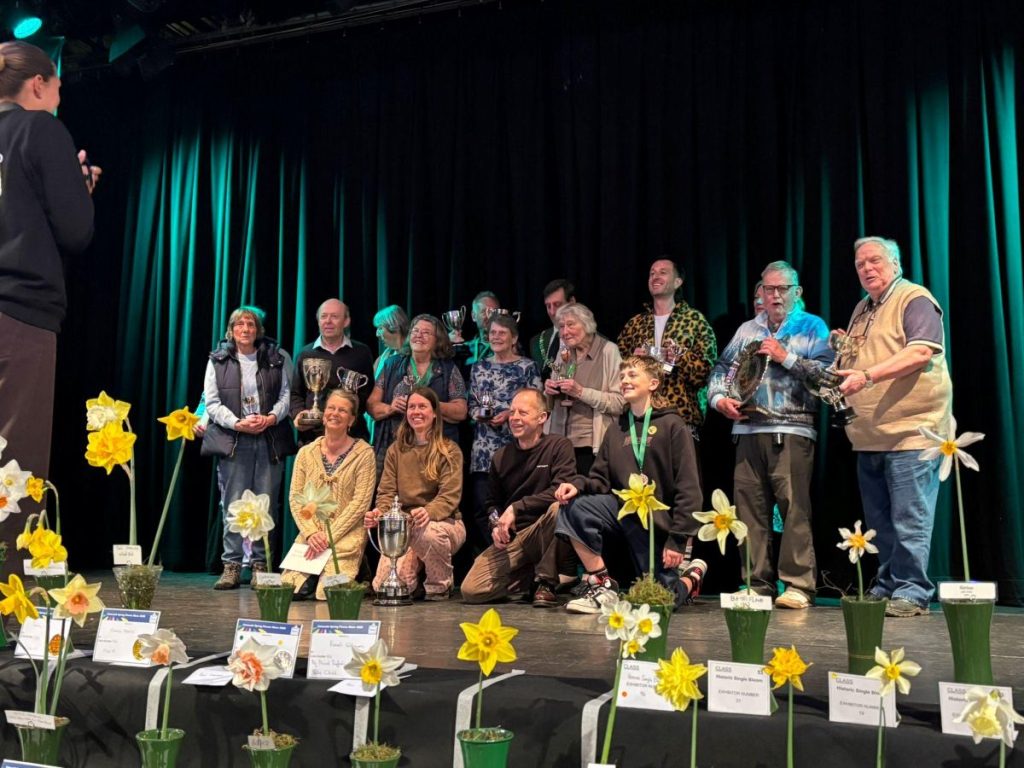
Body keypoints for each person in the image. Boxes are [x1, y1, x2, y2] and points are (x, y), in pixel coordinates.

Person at [0, 41, 100, 562]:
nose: (59, 99)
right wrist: (80, 188)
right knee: (13, 465)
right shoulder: (40, 129)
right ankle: (8, 597)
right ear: (38, 84)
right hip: (18, 313)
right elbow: (75, 231)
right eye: (59, 88)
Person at [835, 236, 952, 618]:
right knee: (879, 522)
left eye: (875, 260)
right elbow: (864, 355)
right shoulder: (862, 308)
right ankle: (887, 584)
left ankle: (913, 591)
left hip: (911, 432)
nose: (867, 268)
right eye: (860, 264)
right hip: (869, 436)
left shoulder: (913, 298)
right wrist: (843, 348)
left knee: (909, 519)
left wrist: (867, 375)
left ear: (896, 264)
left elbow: (920, 351)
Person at [708, 261, 833, 608]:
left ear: (797, 292)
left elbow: (828, 375)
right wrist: (719, 400)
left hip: (791, 428)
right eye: (768, 288)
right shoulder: (747, 329)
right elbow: (722, 369)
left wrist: (786, 356)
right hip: (746, 429)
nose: (775, 295)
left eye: (782, 289)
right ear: (760, 292)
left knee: (794, 508)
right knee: (749, 510)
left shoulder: (812, 326)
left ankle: (797, 585)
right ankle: (756, 583)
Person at [554, 356, 707, 613]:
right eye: (622, 376)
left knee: (661, 600)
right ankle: (602, 585)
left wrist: (678, 540)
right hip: (624, 513)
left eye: (633, 375)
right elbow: (599, 479)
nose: (625, 380)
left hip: (656, 522)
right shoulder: (617, 429)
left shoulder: (673, 425)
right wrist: (577, 485)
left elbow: (689, 487)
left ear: (653, 383)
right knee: (574, 507)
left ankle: (691, 577)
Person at [201, 306, 296, 589]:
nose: (245, 329)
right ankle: (231, 565)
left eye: (251, 324)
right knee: (233, 504)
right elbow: (212, 402)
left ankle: (260, 565)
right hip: (235, 440)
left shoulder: (276, 358)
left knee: (266, 503)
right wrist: (237, 423)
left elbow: (286, 395)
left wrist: (271, 418)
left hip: (268, 439)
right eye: (240, 324)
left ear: (258, 330)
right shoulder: (217, 361)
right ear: (231, 330)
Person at [461, 388, 577, 606]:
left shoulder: (559, 446)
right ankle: (530, 577)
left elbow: (560, 490)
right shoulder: (501, 456)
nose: (514, 418)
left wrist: (517, 508)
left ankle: (545, 582)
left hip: (545, 530)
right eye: (512, 412)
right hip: (516, 538)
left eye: (523, 413)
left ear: (542, 417)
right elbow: (492, 504)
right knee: (472, 590)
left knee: (560, 508)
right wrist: (496, 524)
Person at [365, 386, 466, 600]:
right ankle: (414, 580)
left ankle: (439, 586)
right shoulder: (396, 450)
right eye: (412, 407)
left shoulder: (450, 450)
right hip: (405, 526)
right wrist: (380, 513)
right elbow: (386, 492)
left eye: (422, 406)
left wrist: (427, 512)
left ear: (435, 413)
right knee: (384, 586)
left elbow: (449, 497)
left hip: (443, 522)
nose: (416, 412)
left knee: (428, 534)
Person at [282, 390, 375, 600]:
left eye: (343, 410)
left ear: (352, 420)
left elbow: (360, 503)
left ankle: (358, 571)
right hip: (312, 536)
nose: (335, 413)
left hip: (345, 534)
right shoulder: (306, 453)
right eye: (331, 408)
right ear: (323, 415)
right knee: (292, 589)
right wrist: (311, 533)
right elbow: (296, 498)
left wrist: (328, 536)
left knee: (328, 593)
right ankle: (311, 575)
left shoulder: (364, 454)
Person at [617, 258, 717, 433]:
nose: (655, 277)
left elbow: (707, 372)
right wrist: (633, 360)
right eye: (652, 273)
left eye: (663, 273)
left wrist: (680, 359)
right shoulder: (635, 323)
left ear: (678, 282)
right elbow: (617, 366)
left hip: (681, 416)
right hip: (641, 416)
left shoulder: (695, 321)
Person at [467, 314, 541, 545]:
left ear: (514, 338)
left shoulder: (527, 367)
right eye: (492, 333)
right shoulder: (479, 367)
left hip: (517, 448)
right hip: (484, 451)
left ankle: (517, 554)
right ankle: (493, 553)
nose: (496, 337)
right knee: (483, 509)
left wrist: (510, 414)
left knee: (513, 506)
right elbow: (471, 406)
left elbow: (538, 403)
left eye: (502, 333)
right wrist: (480, 415)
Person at [367, 314, 468, 480]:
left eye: (426, 332)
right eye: (415, 331)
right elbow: (372, 405)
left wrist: (431, 405)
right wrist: (390, 408)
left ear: (437, 340)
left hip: (436, 451)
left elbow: (461, 411)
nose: (419, 335)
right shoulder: (391, 364)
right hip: (396, 450)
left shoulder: (448, 369)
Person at [544, 303, 625, 475]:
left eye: (571, 325)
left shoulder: (608, 351)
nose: (565, 332)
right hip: (561, 446)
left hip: (592, 448)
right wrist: (549, 392)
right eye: (561, 326)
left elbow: (620, 403)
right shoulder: (563, 353)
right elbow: (549, 405)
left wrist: (581, 392)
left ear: (587, 324)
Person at [291, 299, 375, 444]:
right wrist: (299, 414)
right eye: (324, 316)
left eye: (334, 317)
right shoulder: (305, 354)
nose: (328, 321)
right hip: (312, 437)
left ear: (346, 321)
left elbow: (368, 393)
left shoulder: (362, 352)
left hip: (352, 436)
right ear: (318, 321)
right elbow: (295, 393)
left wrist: (346, 412)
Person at [366, 304, 410, 444]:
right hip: (381, 429)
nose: (377, 334)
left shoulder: (415, 356)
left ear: (394, 326)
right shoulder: (382, 359)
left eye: (380, 328)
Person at [529, 279, 576, 376]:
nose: (552, 312)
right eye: (548, 306)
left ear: (572, 302)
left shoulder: (592, 341)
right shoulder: (536, 342)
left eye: (557, 305)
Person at [451, 291, 500, 367]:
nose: (489, 316)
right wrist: (447, 344)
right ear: (474, 316)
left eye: (493, 312)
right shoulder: (466, 348)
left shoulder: (507, 347)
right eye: (484, 312)